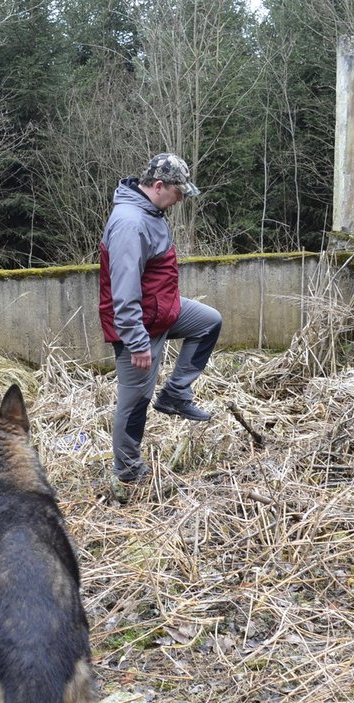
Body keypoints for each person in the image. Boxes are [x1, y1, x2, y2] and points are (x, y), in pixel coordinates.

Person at [98, 153, 223, 488]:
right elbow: (123, 294)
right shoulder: (130, 223)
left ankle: (176, 394)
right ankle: (127, 471)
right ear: (158, 186)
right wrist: (137, 343)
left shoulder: (150, 212)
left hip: (162, 309)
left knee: (208, 322)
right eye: (178, 192)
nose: (181, 198)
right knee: (135, 399)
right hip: (138, 325)